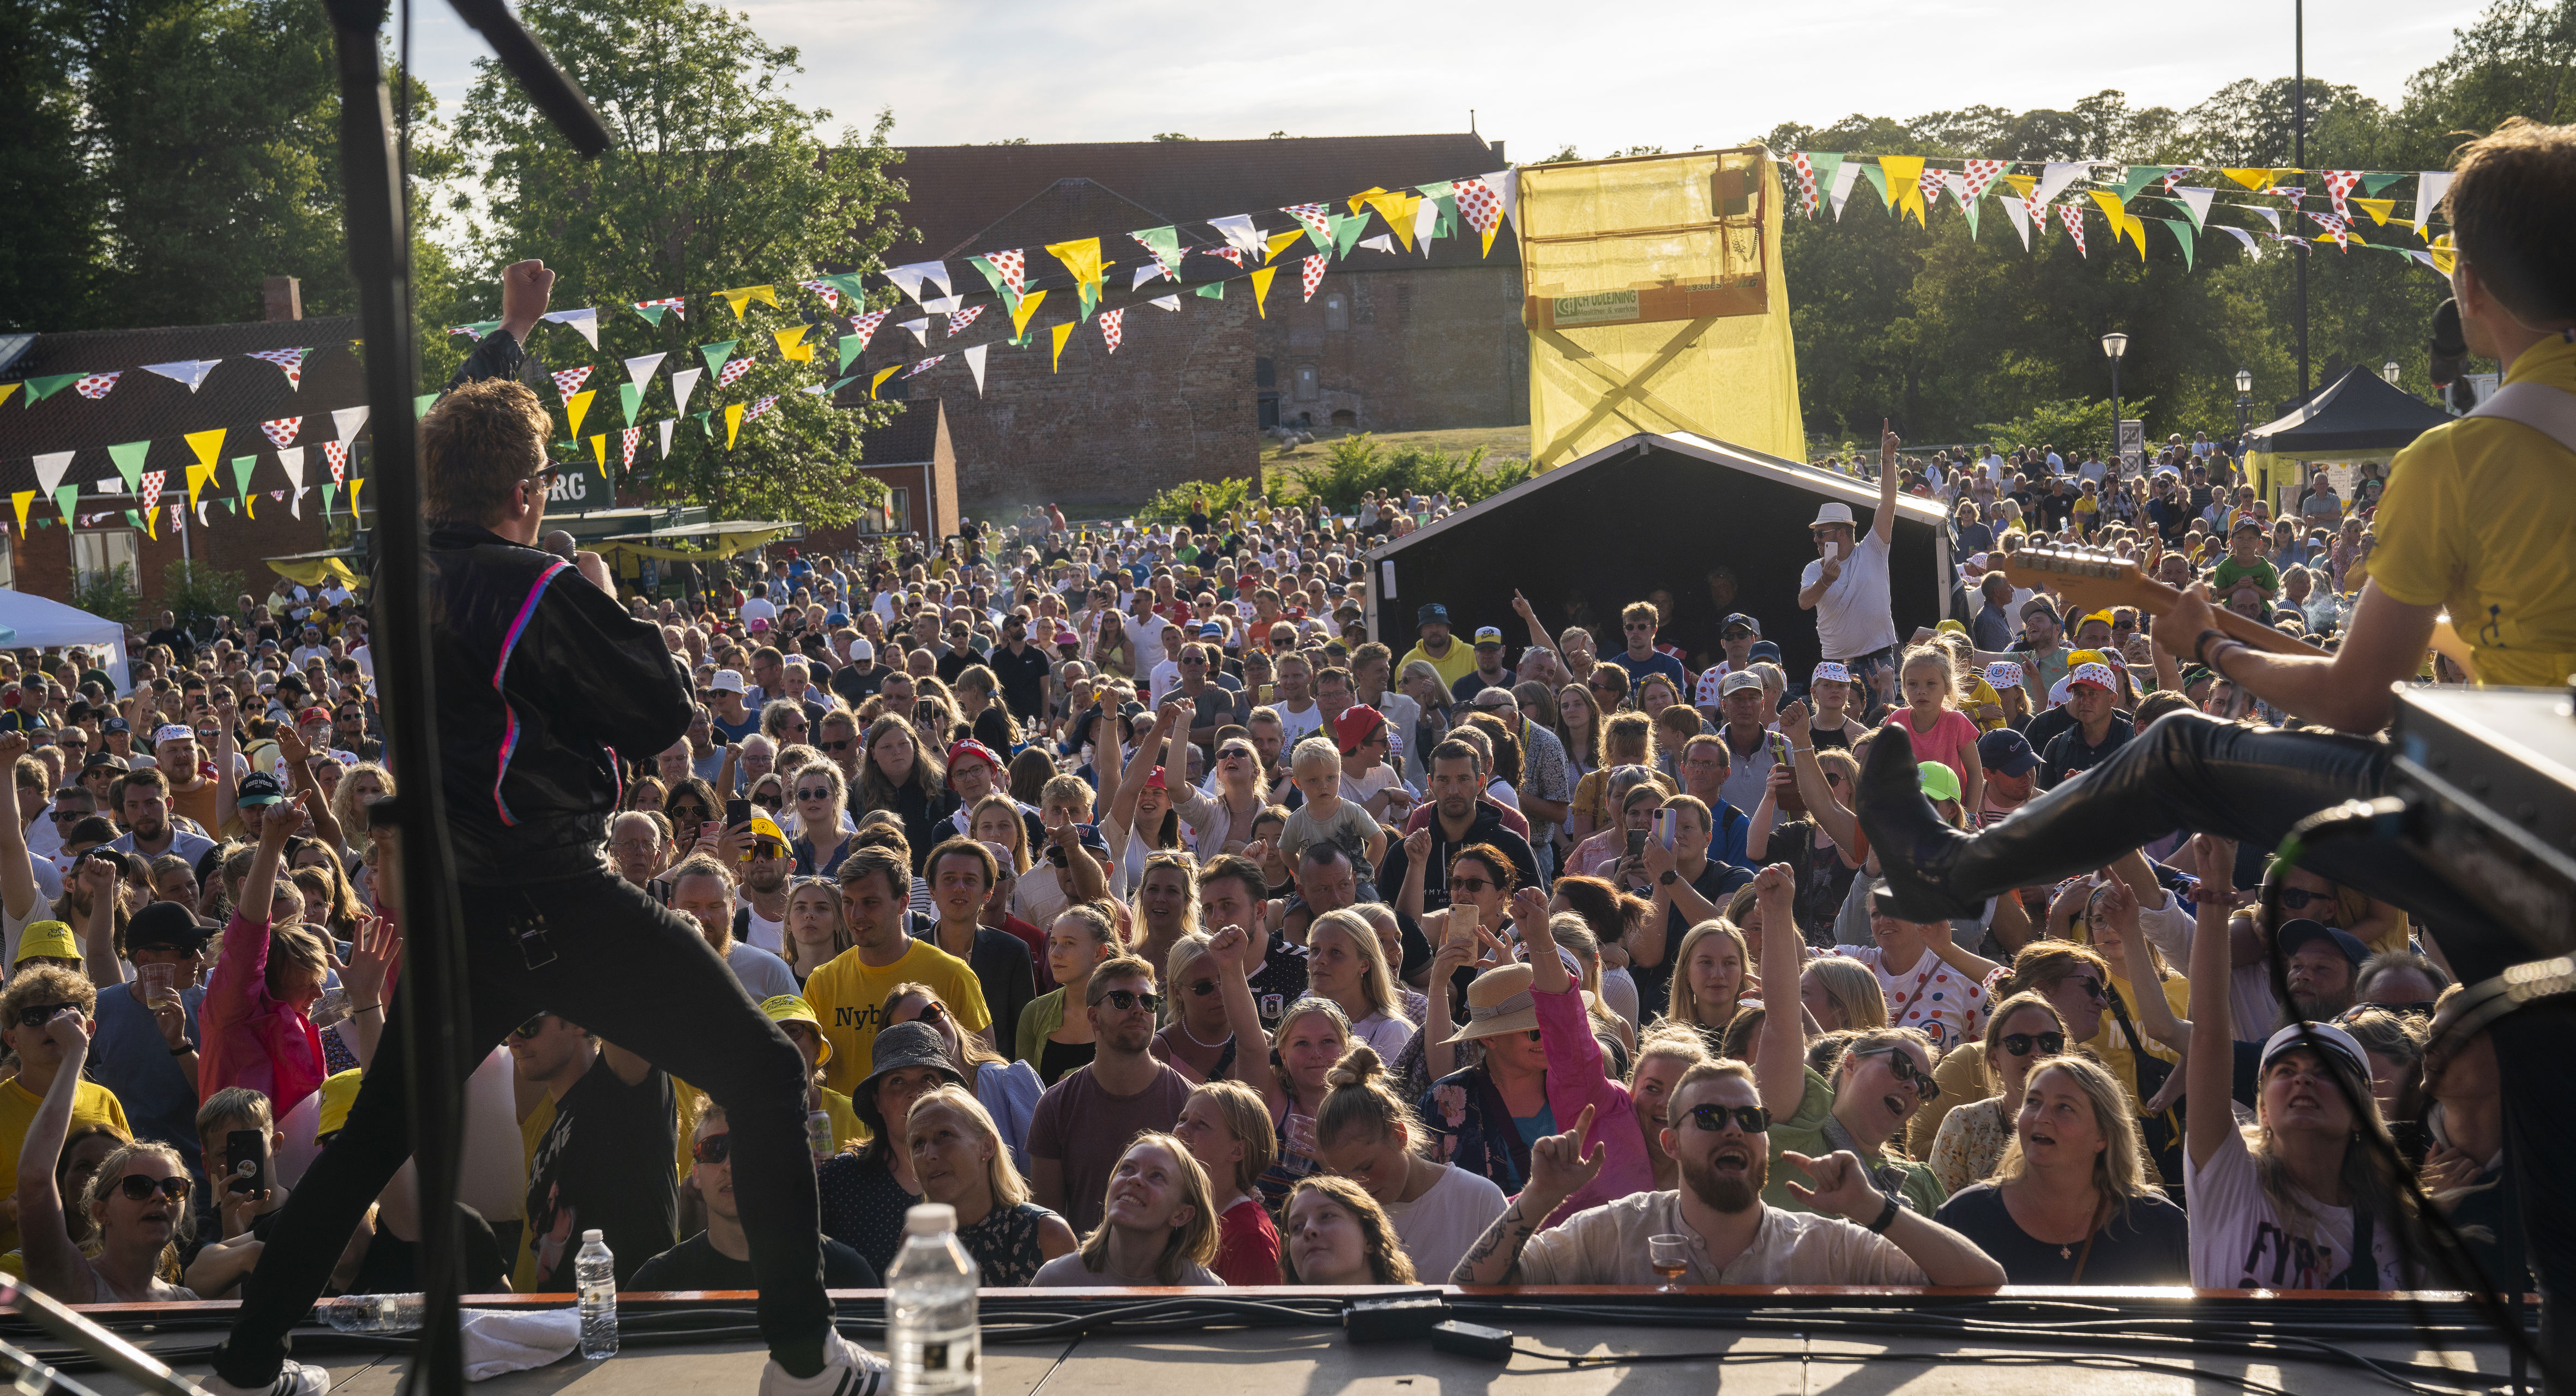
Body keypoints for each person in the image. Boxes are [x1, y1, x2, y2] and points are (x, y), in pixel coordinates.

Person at [208, 263, 878, 1396]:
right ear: (528, 491)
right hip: (558, 894)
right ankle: (807, 1362)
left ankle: (246, 1365)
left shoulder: (396, 563)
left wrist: (511, 336)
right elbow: (659, 713)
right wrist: (599, 592)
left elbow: (450, 440)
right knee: (765, 1073)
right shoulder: (533, 585)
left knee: (376, 1137)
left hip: (461, 908)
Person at [1448, 1060, 2006, 1286]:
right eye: (1711, 1118)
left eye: (1750, 1118)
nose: (1734, 1129)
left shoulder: (1821, 1244)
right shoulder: (1614, 1230)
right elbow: (1471, 1284)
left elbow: (1983, 1279)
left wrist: (1874, 1209)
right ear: (1670, 1142)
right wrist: (1538, 1196)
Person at [2184, 835, 2414, 1289]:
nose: (2303, 1080)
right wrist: (2214, 894)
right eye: (2285, 1071)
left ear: (2361, 1110)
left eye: (2325, 1073)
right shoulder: (2228, 1182)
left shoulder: (2396, 1226)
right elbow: (2208, 1034)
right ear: (2262, 1108)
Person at [1753, 871, 1947, 1219]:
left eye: (1925, 1085)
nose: (1912, 1086)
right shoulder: (1797, 1128)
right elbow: (1782, 1025)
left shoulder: (1920, 1183)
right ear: (1851, 1063)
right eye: (1901, 1066)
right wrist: (1777, 912)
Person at [14, 1004, 197, 1303]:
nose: (160, 1196)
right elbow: (35, 1178)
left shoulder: (188, 1301)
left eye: (174, 1187)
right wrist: (75, 1054)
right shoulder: (72, 1283)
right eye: (138, 1186)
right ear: (101, 1212)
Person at [508, 1010, 678, 1292]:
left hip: (629, 1316)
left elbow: (622, 1003)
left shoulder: (622, 1088)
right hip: (561, 1318)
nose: (513, 1040)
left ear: (577, 1020)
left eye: (528, 1025)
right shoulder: (547, 1138)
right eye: (509, 1029)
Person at [804, 845, 992, 1096]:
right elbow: (810, 1076)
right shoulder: (823, 982)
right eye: (848, 902)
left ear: (903, 903)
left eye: (870, 903)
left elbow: (984, 1074)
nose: (856, 915)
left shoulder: (953, 974)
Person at [1025, 956, 1194, 1235]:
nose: (1139, 1009)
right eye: (1122, 1000)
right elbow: (1048, 1225)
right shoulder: (1055, 1106)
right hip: (1084, 1261)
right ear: (1094, 1017)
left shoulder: (1189, 1104)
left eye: (1148, 1001)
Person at [1311, 1044, 1507, 1283]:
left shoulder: (1480, 1199)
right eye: (1344, 1178)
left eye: (1367, 1167)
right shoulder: (1343, 1217)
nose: (1359, 1185)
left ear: (1399, 1135)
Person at [633, 1103, 881, 1290]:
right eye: (713, 1149)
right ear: (695, 1175)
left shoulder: (846, 1274)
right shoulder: (657, 1283)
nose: (730, 1165)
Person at [818, 1020, 958, 1275]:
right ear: (877, 1101)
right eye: (897, 1081)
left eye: (927, 1078)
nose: (915, 1093)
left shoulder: (973, 1173)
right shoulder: (839, 1180)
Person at [902, 1086, 1076, 1286]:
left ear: (987, 1146)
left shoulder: (1046, 1233)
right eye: (918, 1144)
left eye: (944, 1135)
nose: (929, 1154)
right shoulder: (917, 1239)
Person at [1030, 1133, 1224, 1286]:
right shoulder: (1055, 1280)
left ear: (1181, 1215)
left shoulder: (1206, 1293)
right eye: (1127, 1168)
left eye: (1156, 1176)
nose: (1135, 1179)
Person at [1799, 427, 1905, 707]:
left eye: (1820, 534)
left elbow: (1888, 503)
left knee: (1883, 722)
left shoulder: (1873, 550)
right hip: (1835, 666)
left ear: (1841, 533)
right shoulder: (1814, 569)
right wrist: (1825, 581)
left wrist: (1887, 458)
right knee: (1838, 727)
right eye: (1815, 534)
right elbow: (1804, 602)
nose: (1816, 540)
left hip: (1879, 659)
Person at [1925, 992, 2069, 1196]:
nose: (2037, 1052)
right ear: (1994, 1057)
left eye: (2050, 1041)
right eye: (2019, 1042)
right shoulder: (1965, 1124)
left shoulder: (2085, 1120)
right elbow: (1939, 1208)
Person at [915, 839, 1037, 1058]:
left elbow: (1024, 1037)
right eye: (949, 879)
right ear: (932, 891)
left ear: (987, 893)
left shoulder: (1013, 953)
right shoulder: (911, 951)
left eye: (971, 880)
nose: (959, 888)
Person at [1171, 1079, 1280, 1285]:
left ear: (1237, 1150)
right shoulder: (1180, 1212)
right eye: (1182, 1119)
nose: (1181, 1130)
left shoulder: (1249, 1237)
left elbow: (1258, 1307)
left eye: (1202, 1124)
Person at [666, 852, 801, 1001]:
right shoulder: (650, 970)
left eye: (715, 906)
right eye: (692, 906)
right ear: (670, 908)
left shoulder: (770, 972)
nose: (703, 917)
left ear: (733, 909)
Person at [1015, 902, 1118, 1083]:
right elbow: (1022, 1089)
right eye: (1053, 943)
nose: (1055, 953)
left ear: (1099, 952)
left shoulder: (1126, 1010)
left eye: (1069, 943)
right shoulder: (1035, 1012)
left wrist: (1072, 1078)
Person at [1279, 1175, 1419, 1285]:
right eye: (1297, 1227)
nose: (1308, 1229)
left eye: (1327, 1216)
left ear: (1369, 1238)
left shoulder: (1418, 1311)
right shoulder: (1273, 1314)